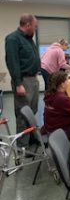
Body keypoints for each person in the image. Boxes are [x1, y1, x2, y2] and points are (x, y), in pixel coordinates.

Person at [5, 14, 40, 148]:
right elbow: (12, 62)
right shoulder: (13, 39)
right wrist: (18, 83)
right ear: (27, 25)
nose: (35, 29)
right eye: (35, 27)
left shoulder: (29, 39)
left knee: (32, 111)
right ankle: (22, 145)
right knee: (23, 113)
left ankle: (31, 138)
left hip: (33, 79)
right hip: (23, 81)